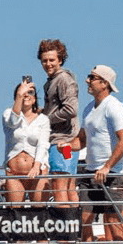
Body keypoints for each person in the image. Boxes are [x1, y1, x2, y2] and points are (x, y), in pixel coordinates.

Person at [72, 64, 123, 244]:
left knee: (114, 222)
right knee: (84, 221)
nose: (87, 80)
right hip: (90, 173)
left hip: (114, 174)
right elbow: (82, 139)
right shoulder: (89, 108)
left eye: (92, 77)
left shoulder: (114, 107)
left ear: (104, 83)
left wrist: (107, 166)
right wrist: (63, 147)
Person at [1, 78, 50, 244]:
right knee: (15, 219)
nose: (28, 96)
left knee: (39, 220)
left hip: (37, 172)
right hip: (15, 173)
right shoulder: (9, 114)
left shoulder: (43, 120)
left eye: (31, 93)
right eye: (23, 93)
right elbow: (12, 122)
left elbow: (43, 144)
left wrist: (37, 165)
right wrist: (19, 95)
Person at [38, 39, 80, 207]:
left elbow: (71, 109)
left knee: (59, 185)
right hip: (66, 142)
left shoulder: (63, 79)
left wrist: (45, 119)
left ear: (60, 60)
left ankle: (65, 227)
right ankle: (75, 229)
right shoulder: (50, 81)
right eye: (44, 60)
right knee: (69, 186)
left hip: (61, 141)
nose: (48, 64)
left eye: (52, 60)